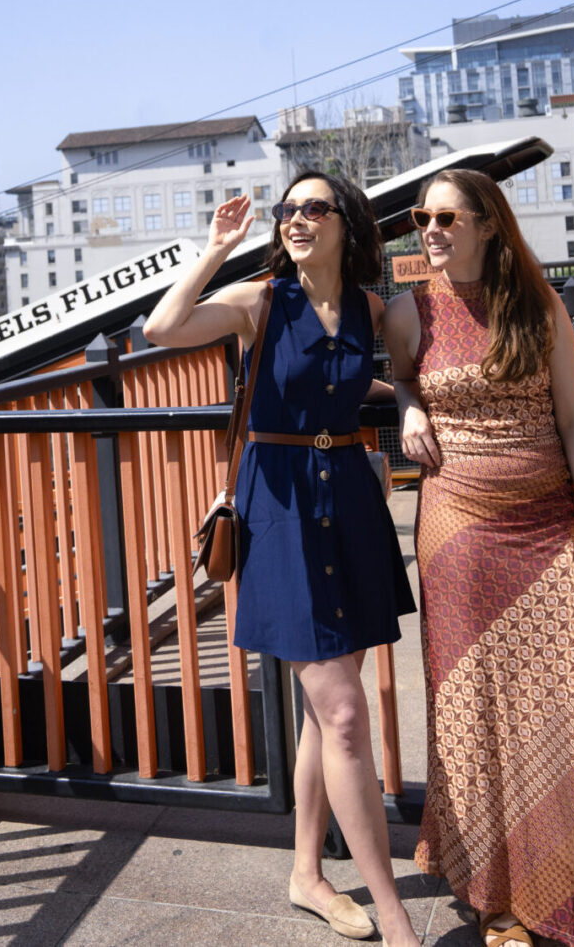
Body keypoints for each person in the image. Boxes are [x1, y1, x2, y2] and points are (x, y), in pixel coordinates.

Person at [145, 171, 418, 946]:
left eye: (313, 208)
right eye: (288, 210)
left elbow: (390, 374)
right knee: (341, 711)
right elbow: (162, 330)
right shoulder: (260, 301)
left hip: (350, 503)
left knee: (325, 711)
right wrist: (214, 251)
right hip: (281, 507)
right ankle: (395, 914)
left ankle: (306, 872)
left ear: (346, 224)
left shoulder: (369, 309)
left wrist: (409, 400)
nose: (297, 220)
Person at [383, 168, 574, 947]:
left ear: (489, 225)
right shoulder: (407, 311)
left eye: (445, 218)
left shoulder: (539, 308)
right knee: (473, 709)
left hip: (543, 525)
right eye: (419, 217)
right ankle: (496, 900)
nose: (428, 230)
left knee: (566, 702)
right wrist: (405, 409)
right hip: (456, 529)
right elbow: (400, 378)